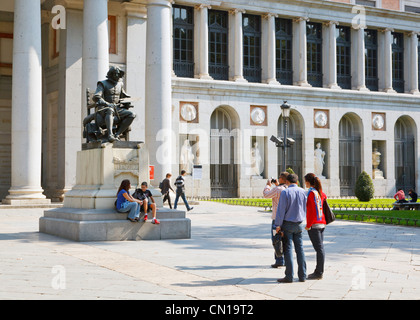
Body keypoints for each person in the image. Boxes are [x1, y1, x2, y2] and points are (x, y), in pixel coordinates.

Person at [275, 174, 307, 283]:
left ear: (287, 182)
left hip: (287, 223)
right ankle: (302, 275)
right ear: (297, 182)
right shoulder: (303, 191)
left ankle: (289, 276)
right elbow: (305, 207)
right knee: (300, 249)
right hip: (299, 223)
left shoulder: (285, 192)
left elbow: (281, 210)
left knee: (288, 249)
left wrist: (277, 225)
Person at [263, 172, 289, 268]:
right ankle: (287, 260)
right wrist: (278, 185)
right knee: (286, 240)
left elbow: (266, 194)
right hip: (287, 219)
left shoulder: (277, 189)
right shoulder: (287, 189)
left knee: (276, 240)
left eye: (279, 178)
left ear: (282, 179)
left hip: (277, 219)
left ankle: (279, 260)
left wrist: (268, 185)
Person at [304, 173, 327, 280]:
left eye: (305, 181)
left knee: (319, 249)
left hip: (314, 224)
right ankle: (319, 271)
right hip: (322, 223)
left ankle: (319, 272)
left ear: (308, 182)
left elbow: (312, 211)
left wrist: (308, 225)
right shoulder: (320, 192)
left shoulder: (311, 193)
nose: (305, 183)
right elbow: (324, 198)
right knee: (320, 248)